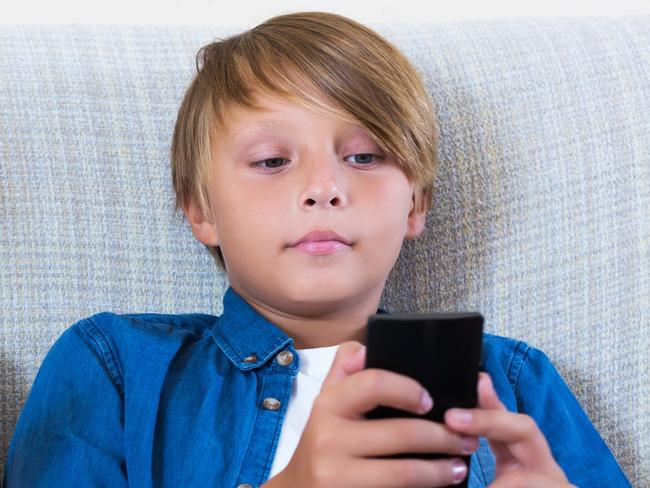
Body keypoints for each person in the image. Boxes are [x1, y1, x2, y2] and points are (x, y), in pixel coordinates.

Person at [3, 11, 631, 488]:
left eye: (363, 157)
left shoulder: (514, 383)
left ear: (415, 206)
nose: (325, 188)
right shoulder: (115, 368)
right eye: (272, 161)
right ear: (201, 211)